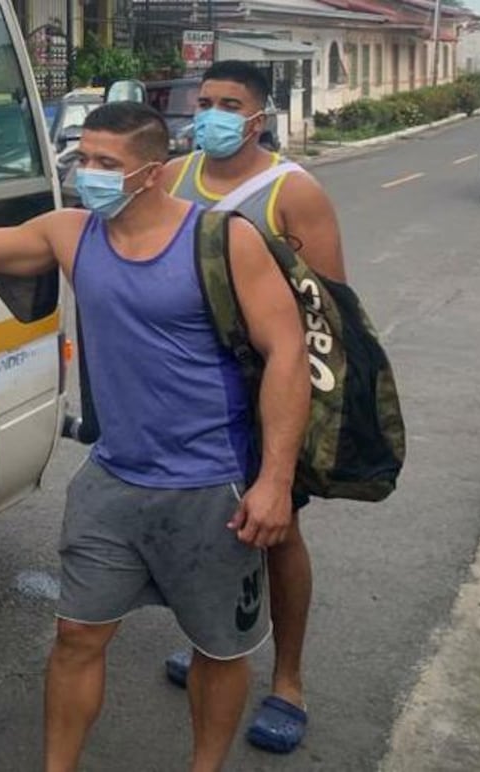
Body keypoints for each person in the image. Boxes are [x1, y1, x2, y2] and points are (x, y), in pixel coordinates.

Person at [0, 102, 311, 772]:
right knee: (76, 638)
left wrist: (275, 482)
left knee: (217, 650)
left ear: (152, 173)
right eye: (82, 157)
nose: (87, 173)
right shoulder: (71, 233)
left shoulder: (222, 240)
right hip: (112, 481)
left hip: (212, 488)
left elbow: (286, 353)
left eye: (106, 163)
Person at [160, 59, 348, 755]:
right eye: (204, 100)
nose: (210, 113)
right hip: (188, 392)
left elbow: (330, 312)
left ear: (258, 118)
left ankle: (288, 682)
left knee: (278, 531)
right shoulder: (172, 177)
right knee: (207, 525)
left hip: (269, 388)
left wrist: (305, 424)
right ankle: (215, 645)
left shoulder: (293, 192)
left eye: (228, 104)